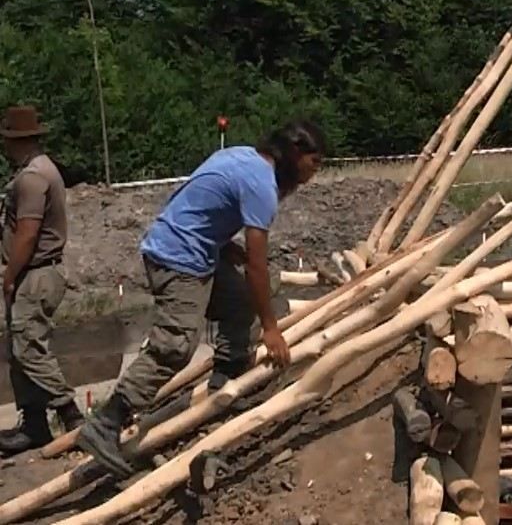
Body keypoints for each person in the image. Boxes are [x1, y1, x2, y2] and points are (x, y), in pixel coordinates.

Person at [76, 120, 326, 476]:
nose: (314, 173)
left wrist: (223, 245)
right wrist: (271, 330)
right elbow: (258, 266)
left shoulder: (243, 157)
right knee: (176, 344)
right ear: (295, 153)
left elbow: (199, 202)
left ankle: (226, 378)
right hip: (178, 258)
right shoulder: (262, 186)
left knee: (238, 301)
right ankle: (106, 422)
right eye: (313, 163)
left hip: (196, 248)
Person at [0, 106, 84, 455]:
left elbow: (28, 233)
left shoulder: (32, 178)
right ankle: (34, 423)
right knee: (19, 349)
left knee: (28, 345)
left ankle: (71, 414)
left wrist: (9, 273)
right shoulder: (40, 171)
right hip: (34, 272)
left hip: (34, 272)